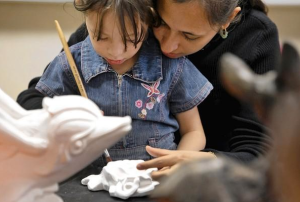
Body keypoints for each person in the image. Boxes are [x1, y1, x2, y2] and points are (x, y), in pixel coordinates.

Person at [17, 0, 280, 178]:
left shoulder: (257, 36)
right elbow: (36, 96)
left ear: (228, 20)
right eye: (160, 23)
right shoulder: (121, 22)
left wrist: (202, 160)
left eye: (189, 36)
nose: (167, 46)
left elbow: (259, 152)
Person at [33, 0, 212, 163]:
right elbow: (40, 123)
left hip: (158, 176)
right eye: (101, 37)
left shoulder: (172, 66)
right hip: (91, 177)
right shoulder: (68, 65)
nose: (116, 52)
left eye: (130, 39)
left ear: (149, 20)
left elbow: (194, 132)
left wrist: (176, 163)